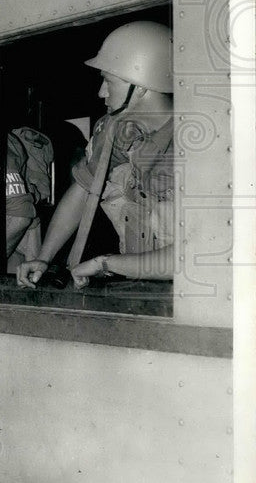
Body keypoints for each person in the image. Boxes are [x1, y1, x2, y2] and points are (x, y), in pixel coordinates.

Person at [17, 20, 175, 289]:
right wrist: (44, 258)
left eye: (108, 82)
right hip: (140, 283)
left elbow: (195, 256)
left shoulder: (202, 145)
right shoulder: (117, 130)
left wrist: (106, 263)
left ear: (141, 87)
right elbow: (84, 189)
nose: (101, 92)